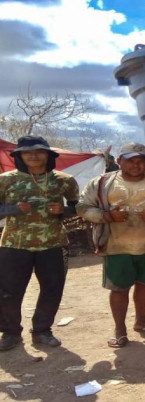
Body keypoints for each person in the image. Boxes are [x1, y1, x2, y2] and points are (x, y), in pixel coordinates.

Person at [77, 142, 145, 348]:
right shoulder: (102, 183)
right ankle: (120, 330)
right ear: (119, 161)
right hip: (116, 246)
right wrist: (107, 216)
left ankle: (141, 322)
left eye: (142, 161)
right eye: (131, 160)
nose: (136, 165)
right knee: (119, 288)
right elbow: (82, 207)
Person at [0, 135, 79, 351]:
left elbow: (79, 208)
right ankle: (10, 333)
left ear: (48, 155)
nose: (33, 156)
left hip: (53, 243)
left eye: (39, 151)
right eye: (27, 152)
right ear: (19, 156)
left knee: (52, 289)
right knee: (8, 291)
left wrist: (65, 210)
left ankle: (42, 331)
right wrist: (12, 209)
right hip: (14, 245)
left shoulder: (64, 180)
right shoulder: (5, 180)